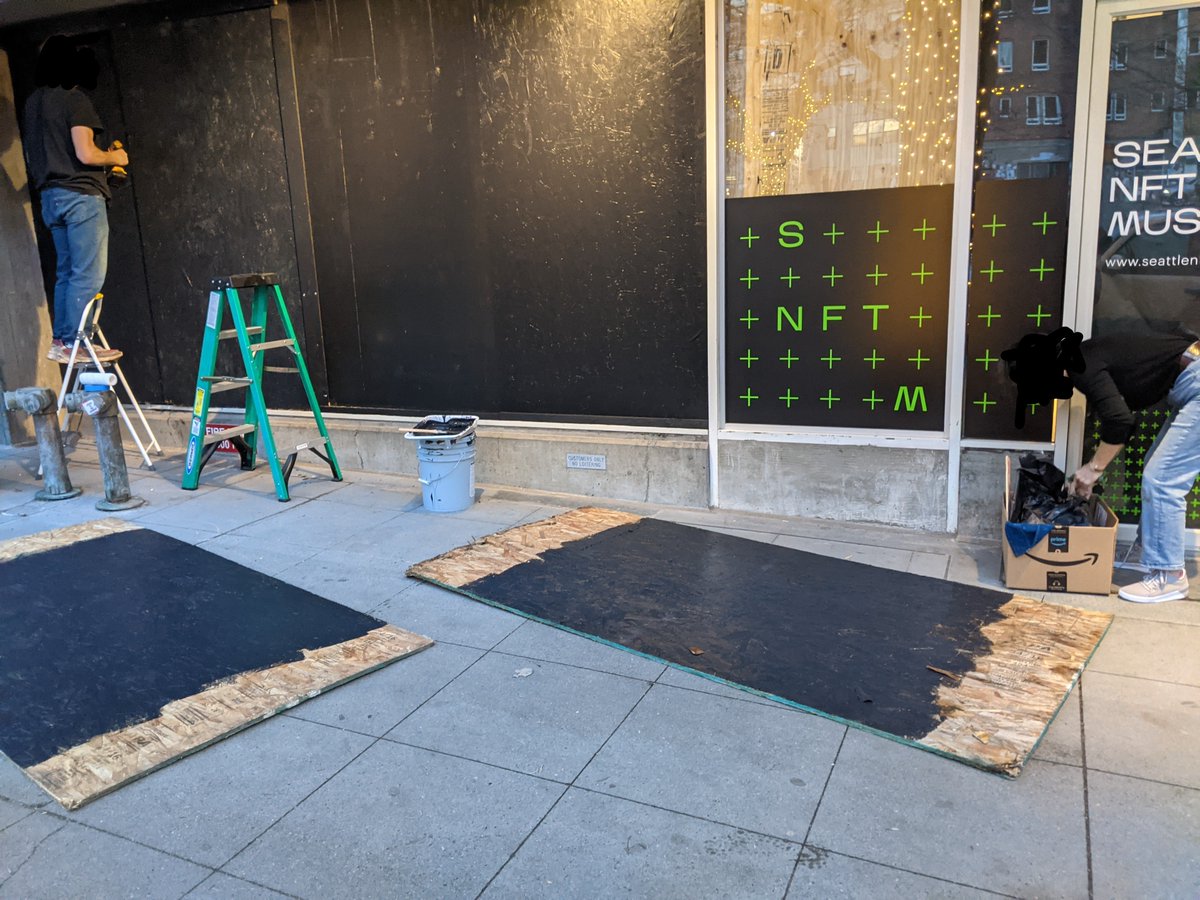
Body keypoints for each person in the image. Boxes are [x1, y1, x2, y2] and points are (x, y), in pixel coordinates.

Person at [1003, 326, 1199, 603]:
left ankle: (1169, 576)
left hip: (1196, 379)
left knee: (1162, 479)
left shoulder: (1083, 365)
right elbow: (1117, 418)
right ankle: (1149, 555)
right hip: (1190, 379)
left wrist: (1092, 469)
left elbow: (1120, 421)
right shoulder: (1087, 356)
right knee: (1155, 469)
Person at [22, 37, 127, 364]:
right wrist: (114, 156)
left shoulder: (33, 105)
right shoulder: (75, 101)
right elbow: (85, 152)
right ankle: (76, 343)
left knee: (68, 272)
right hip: (81, 196)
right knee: (88, 274)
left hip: (51, 198)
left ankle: (64, 342)